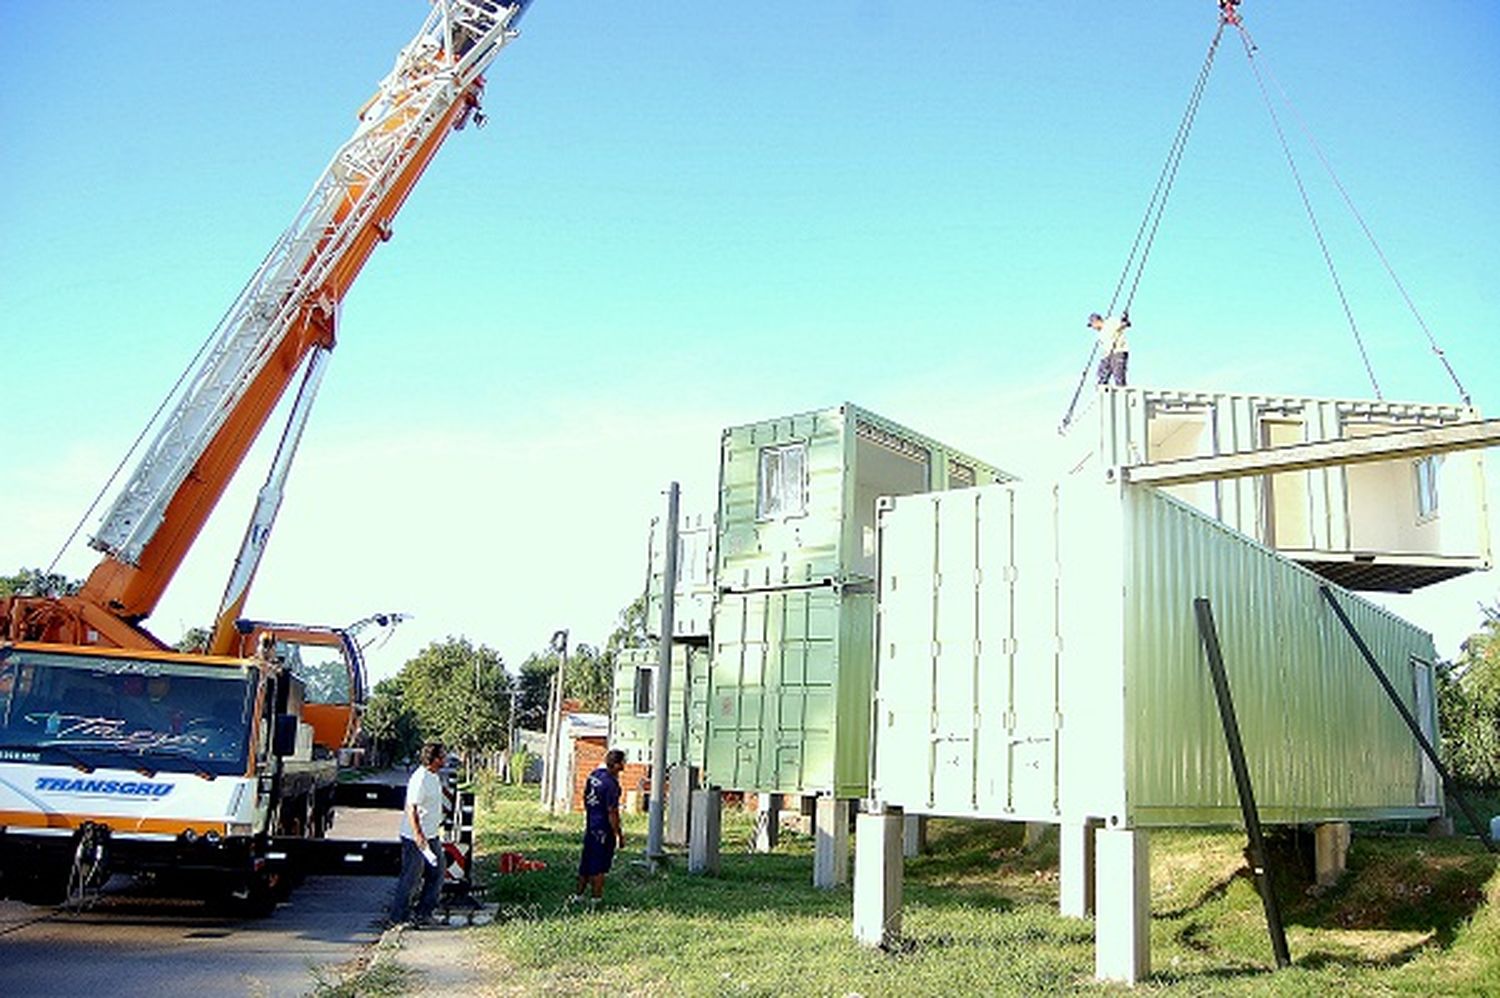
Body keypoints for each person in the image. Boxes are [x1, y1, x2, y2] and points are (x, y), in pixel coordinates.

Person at [388, 740, 446, 927]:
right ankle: (398, 918)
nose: (445, 758)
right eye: (442, 755)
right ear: (434, 758)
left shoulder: (434, 776)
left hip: (432, 835)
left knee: (437, 873)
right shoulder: (420, 778)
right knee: (411, 877)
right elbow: (411, 809)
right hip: (416, 838)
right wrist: (418, 835)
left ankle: (424, 913)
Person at [574, 749, 626, 906]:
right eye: (623, 762)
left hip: (591, 823)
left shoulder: (595, 774)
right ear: (616, 765)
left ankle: (578, 896)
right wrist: (619, 834)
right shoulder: (611, 785)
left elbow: (585, 796)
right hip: (603, 828)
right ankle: (596, 900)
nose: (625, 764)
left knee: (586, 861)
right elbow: (612, 812)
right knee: (599, 865)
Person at [1089, 311, 1132, 386]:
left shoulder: (1110, 322)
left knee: (1118, 376)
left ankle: (1121, 393)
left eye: (1092, 325)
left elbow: (1125, 324)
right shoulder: (1100, 333)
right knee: (1101, 375)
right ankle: (1102, 391)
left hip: (1118, 352)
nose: (1093, 327)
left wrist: (1124, 319)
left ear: (1096, 322)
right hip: (1107, 355)